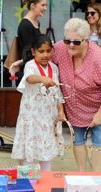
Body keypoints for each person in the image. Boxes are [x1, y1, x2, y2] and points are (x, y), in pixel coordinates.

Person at [52, 18, 101, 172]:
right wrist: (21, 63)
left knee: (100, 142)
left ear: (86, 40)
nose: (70, 45)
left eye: (76, 42)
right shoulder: (61, 49)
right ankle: (81, 174)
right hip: (76, 106)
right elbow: (41, 53)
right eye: (67, 40)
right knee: (78, 140)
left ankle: (95, 176)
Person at [11, 35, 65, 171]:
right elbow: (29, 78)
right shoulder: (30, 65)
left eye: (48, 51)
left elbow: (57, 91)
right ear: (34, 51)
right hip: (31, 116)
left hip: (47, 116)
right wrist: (43, 78)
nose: (45, 54)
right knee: (28, 148)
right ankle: (26, 176)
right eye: (41, 51)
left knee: (46, 150)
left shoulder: (54, 68)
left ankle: (46, 178)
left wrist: (60, 110)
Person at [9, 0, 48, 81]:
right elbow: (28, 52)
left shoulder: (37, 22)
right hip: (29, 69)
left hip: (36, 65)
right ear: (33, 5)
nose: (45, 8)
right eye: (43, 5)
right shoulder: (25, 25)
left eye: (46, 5)